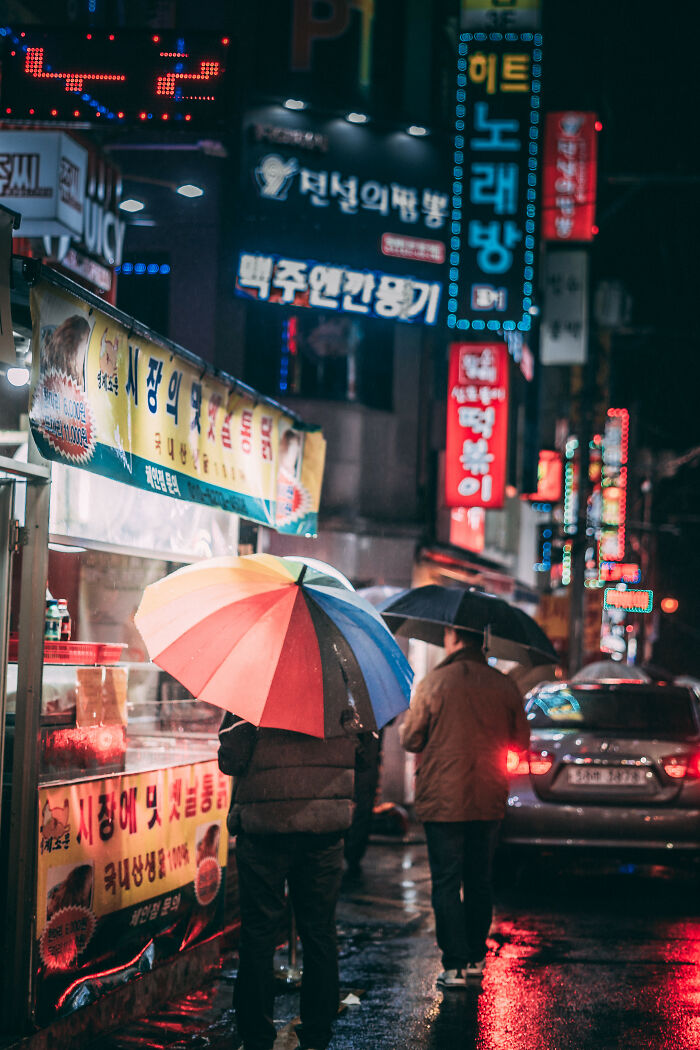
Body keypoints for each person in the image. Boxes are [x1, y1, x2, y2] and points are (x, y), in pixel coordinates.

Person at [218, 712, 358, 1050]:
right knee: (319, 933)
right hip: (323, 829)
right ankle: (316, 1036)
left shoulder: (254, 691)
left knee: (258, 934)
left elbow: (232, 759)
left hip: (265, 829)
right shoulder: (343, 690)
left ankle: (255, 1038)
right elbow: (364, 755)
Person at [399, 626, 529, 989]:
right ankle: (474, 958)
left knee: (445, 881)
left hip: (442, 798)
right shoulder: (504, 685)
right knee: (479, 880)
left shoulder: (434, 682)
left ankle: (453, 966)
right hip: (488, 794)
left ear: (454, 637)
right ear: (483, 640)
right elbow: (520, 739)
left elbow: (411, 738)